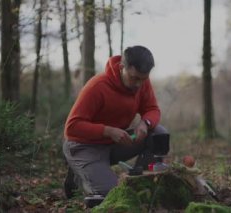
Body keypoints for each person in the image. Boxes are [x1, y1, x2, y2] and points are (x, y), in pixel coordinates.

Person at [62, 45, 169, 199]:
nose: (139, 84)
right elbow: (72, 128)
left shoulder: (142, 82)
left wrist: (145, 123)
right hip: (83, 146)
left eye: (143, 79)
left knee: (158, 134)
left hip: (114, 143)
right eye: (134, 78)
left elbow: (152, 109)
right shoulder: (97, 86)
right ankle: (79, 176)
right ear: (121, 67)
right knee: (112, 194)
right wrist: (108, 130)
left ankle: (142, 182)